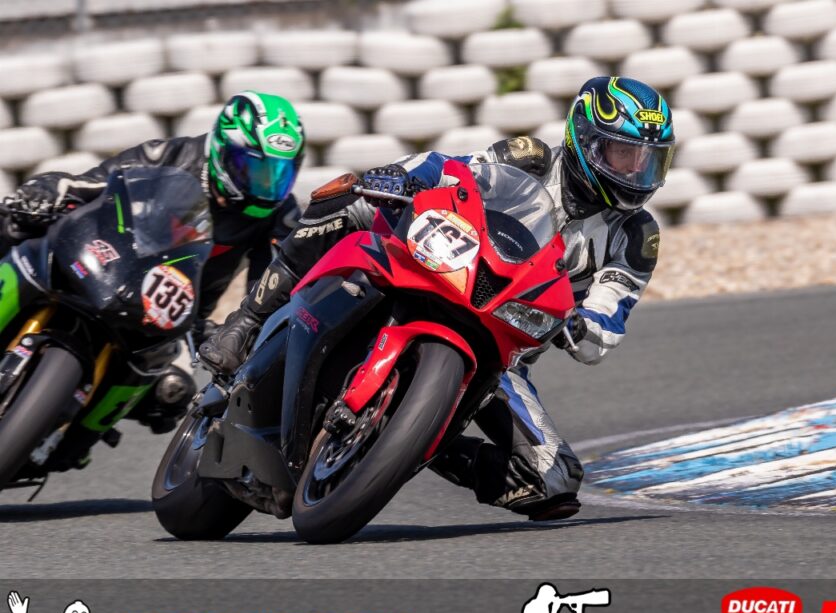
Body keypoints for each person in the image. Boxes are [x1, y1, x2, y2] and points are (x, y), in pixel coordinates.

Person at [200, 76, 675, 521]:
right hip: (442, 267)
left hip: (503, 350)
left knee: (554, 480)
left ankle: (410, 438)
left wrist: (581, 326)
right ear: (584, 141)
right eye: (623, 155)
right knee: (350, 200)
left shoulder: (637, 237)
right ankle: (247, 322)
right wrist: (401, 176)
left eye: (648, 161)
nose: (636, 172)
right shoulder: (530, 158)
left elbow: (607, 319)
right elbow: (453, 170)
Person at [1, 91, 304, 438]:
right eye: (254, 169)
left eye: (279, 174)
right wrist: (50, 189)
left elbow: (273, 282)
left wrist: (242, 329)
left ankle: (74, 440)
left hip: (176, 313)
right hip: (111, 261)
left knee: (172, 393)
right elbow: (95, 181)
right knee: (14, 224)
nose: (266, 186)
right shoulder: (173, 155)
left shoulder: (280, 214)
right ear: (223, 150)